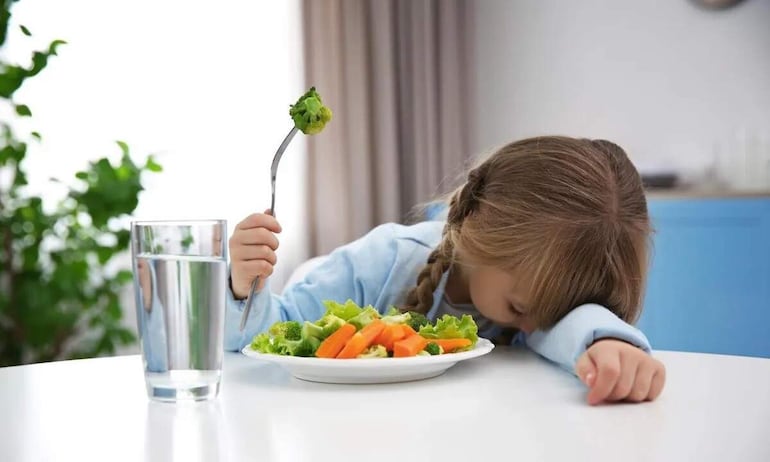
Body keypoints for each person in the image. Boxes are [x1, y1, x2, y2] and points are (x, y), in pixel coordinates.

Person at [225, 136, 666, 405]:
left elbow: (560, 330)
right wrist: (242, 288)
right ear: (480, 239)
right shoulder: (386, 261)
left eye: (550, 316)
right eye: (519, 307)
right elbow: (267, 339)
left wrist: (605, 340)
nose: (534, 326)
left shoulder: (536, 309)